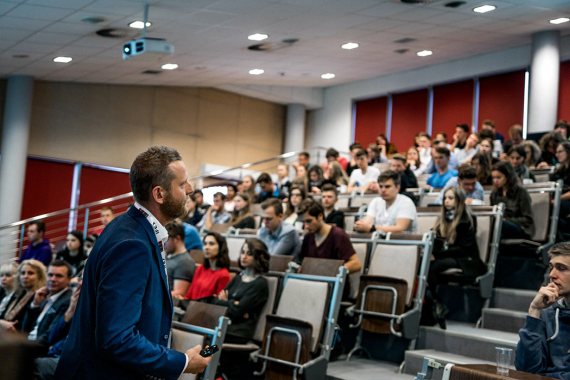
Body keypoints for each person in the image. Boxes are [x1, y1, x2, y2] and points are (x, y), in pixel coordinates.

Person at [56, 146, 211, 379]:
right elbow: (117, 339)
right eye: (182, 184)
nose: (190, 189)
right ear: (159, 194)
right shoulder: (133, 245)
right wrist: (183, 362)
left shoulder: (127, 228)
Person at [427, 188, 485, 329]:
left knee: (433, 267)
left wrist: (439, 254)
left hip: (467, 260)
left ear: (459, 200)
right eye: (445, 198)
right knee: (426, 265)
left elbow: (464, 249)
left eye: (451, 198)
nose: (447, 201)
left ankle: (436, 304)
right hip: (450, 256)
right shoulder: (443, 218)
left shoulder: (467, 219)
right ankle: (435, 303)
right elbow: (438, 242)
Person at [212, 238, 270, 379]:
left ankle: (212, 373)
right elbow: (216, 300)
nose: (243, 256)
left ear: (258, 257)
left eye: (249, 254)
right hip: (223, 331)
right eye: (242, 252)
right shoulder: (238, 277)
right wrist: (233, 303)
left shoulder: (260, 284)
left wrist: (228, 302)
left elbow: (237, 312)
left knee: (207, 349)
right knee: (201, 344)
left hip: (237, 335)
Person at [515, 242, 570, 378]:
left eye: (561, 268)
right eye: (551, 267)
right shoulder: (549, 314)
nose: (552, 275)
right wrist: (534, 311)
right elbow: (526, 370)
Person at [295, 199, 362, 273]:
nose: (306, 227)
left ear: (320, 216)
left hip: (332, 282)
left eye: (309, 221)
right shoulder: (308, 237)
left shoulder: (338, 235)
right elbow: (302, 262)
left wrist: (330, 271)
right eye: (303, 222)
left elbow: (356, 264)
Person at [22, 260, 72, 347]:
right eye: (50, 275)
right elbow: (24, 329)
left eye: (58, 276)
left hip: (38, 349)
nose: (53, 279)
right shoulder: (44, 295)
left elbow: (49, 337)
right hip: (27, 342)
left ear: (69, 280)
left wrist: (26, 349)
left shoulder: (68, 301)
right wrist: (35, 305)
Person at [491, 161, 534, 240]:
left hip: (520, 228)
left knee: (500, 224)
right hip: (501, 227)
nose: (495, 181)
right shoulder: (494, 194)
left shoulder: (521, 192)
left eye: (498, 177)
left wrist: (506, 220)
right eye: (493, 178)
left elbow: (528, 219)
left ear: (508, 176)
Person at [0, 259, 46, 332]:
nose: (25, 276)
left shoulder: (40, 296)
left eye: (30, 273)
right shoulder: (19, 293)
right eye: (22, 273)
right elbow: (3, 316)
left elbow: (27, 326)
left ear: (39, 276)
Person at [184, 232, 230, 302]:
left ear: (220, 247)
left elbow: (217, 303)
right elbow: (189, 294)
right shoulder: (200, 269)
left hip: (205, 310)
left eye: (211, 244)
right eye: (205, 244)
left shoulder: (224, 275)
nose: (206, 247)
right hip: (190, 307)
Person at [165, 222, 196, 300]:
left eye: (165, 239)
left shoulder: (185, 262)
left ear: (177, 239)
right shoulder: (168, 256)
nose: (163, 243)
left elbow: (179, 293)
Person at [551, 141, 570, 237]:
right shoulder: (559, 170)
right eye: (556, 152)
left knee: (554, 206)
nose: (557, 154)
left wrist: (558, 198)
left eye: (560, 151)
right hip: (558, 199)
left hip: (566, 200)